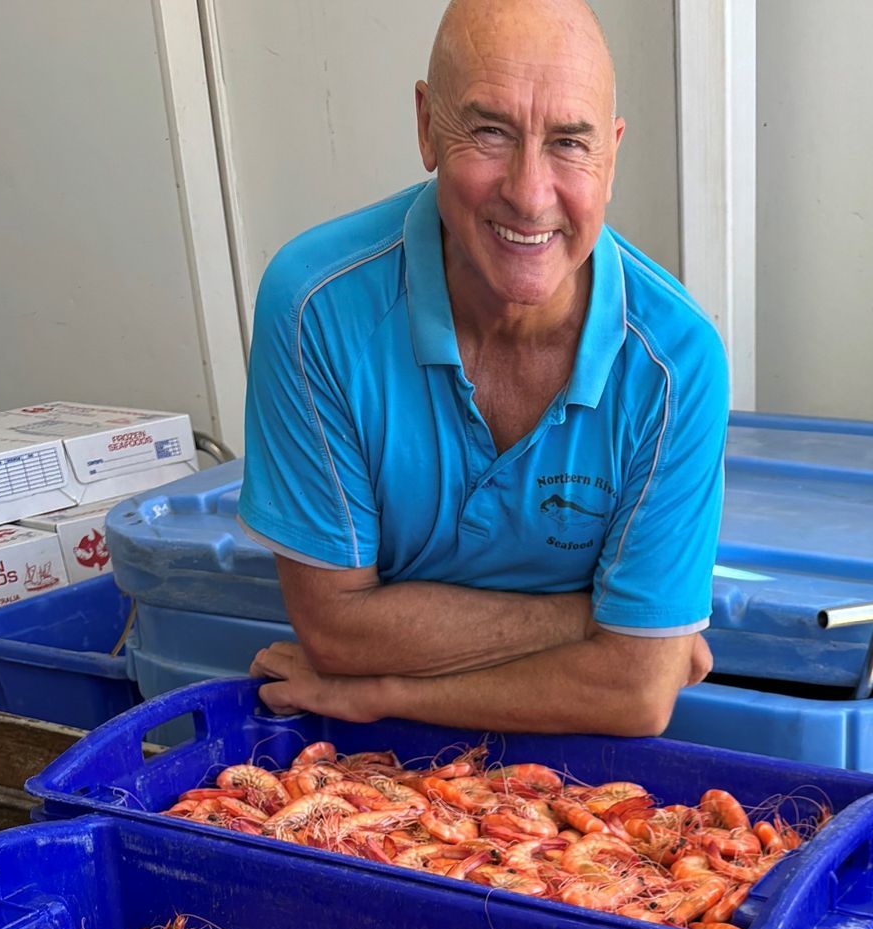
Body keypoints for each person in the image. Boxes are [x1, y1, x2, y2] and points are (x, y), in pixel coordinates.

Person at [239, 0, 727, 737]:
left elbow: (637, 699)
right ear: (427, 125)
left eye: (569, 142)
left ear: (613, 154)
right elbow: (334, 634)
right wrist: (601, 624)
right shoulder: (316, 306)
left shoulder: (677, 361)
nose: (530, 195)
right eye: (491, 131)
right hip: (363, 761)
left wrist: (386, 691)